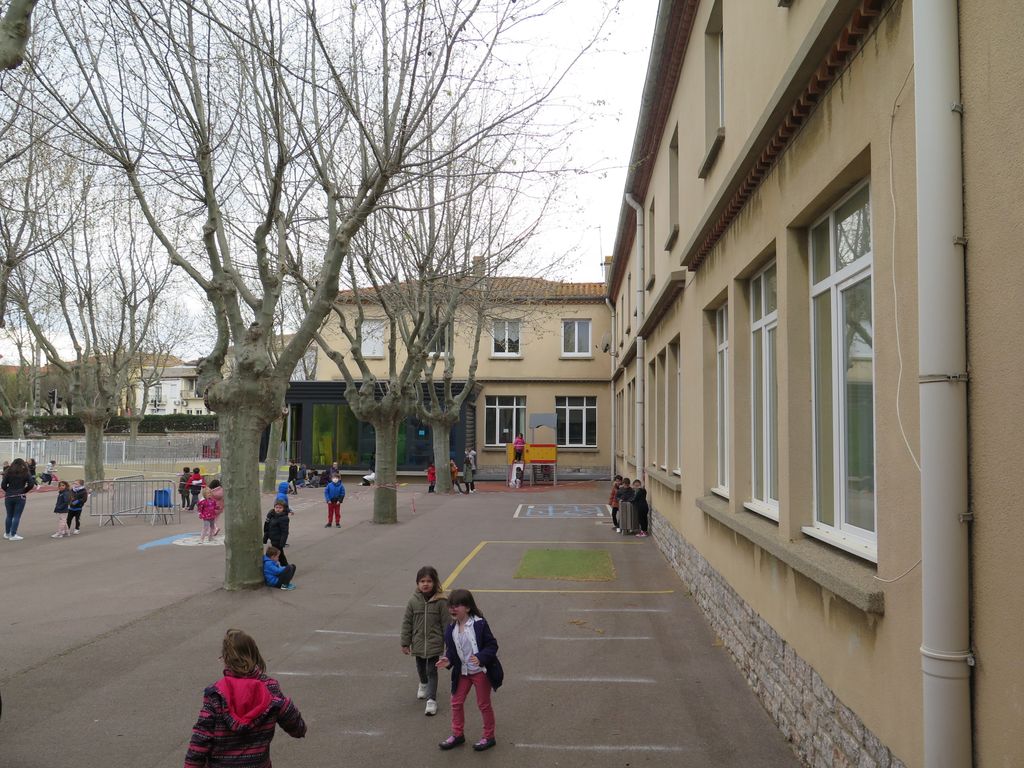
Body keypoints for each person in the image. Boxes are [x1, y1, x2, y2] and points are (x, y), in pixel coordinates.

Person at [183, 628, 306, 767]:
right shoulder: (270, 689)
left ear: (226, 659)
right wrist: (290, 713)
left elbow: (201, 738)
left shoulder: (216, 694)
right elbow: (297, 728)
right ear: (255, 655)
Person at [435, 589, 502, 752]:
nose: (452, 609)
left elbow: (492, 645)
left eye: (457, 605)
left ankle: (489, 736)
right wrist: (447, 659)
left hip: (480, 672)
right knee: (456, 702)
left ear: (468, 607)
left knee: (483, 704)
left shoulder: (479, 624)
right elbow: (452, 650)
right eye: (450, 606)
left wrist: (481, 657)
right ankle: (458, 735)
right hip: (463, 673)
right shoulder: (451, 629)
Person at [401, 566, 449, 717]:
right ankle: (423, 683)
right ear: (417, 583)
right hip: (418, 641)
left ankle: (431, 700)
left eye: (429, 581)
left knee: (431, 670)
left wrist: (450, 645)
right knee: (421, 668)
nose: (425, 584)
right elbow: (407, 622)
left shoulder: (441, 602)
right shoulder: (413, 601)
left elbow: (447, 624)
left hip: (435, 643)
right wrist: (405, 642)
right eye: (422, 581)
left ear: (435, 583)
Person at [2, 458, 36, 541]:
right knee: (16, 515)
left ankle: (7, 533)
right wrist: (24, 490)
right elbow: (31, 484)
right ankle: (13, 534)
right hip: (20, 495)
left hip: (9, 496)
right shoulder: (25, 472)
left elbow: (3, 485)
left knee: (9, 515)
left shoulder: (8, 472)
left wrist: (9, 491)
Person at [263, 500, 291, 566]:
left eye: (280, 508)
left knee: (278, 556)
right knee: (279, 555)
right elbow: (267, 527)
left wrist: (282, 543)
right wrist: (265, 538)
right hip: (273, 539)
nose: (278, 509)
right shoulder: (272, 515)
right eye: (277, 507)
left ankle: (285, 568)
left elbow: (285, 532)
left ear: (283, 509)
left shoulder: (284, 518)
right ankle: (285, 567)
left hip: (278, 541)